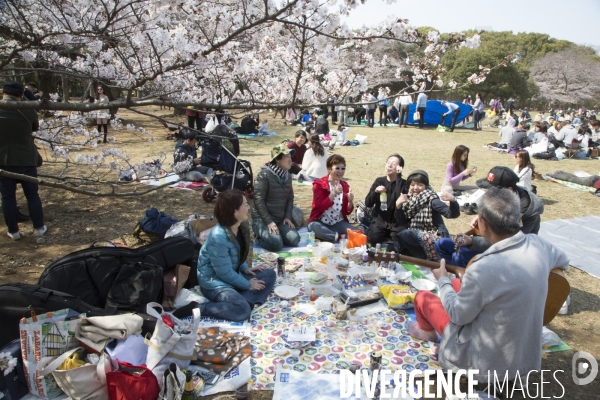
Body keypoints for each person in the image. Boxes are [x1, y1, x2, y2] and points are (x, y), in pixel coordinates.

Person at [407, 188, 569, 391]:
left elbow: (458, 314)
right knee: (459, 285)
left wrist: (443, 281)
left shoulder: (484, 268)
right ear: (518, 219)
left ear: (482, 223)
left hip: (482, 362)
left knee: (423, 297)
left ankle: (427, 334)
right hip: (523, 353)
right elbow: (564, 262)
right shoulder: (539, 245)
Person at [435, 166, 544, 268]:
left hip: (508, 255)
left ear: (509, 190)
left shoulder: (526, 213)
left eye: (492, 189)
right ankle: (456, 276)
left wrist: (472, 241)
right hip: (488, 240)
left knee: (460, 255)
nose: (488, 192)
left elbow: (508, 244)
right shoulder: (500, 199)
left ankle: (464, 280)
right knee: (441, 244)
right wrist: (480, 217)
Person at [196, 190, 276, 321]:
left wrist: (244, 268)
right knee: (243, 311)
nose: (248, 207)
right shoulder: (218, 237)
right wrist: (247, 284)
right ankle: (201, 308)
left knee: (269, 274)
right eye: (245, 205)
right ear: (234, 212)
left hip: (232, 274)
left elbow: (238, 251)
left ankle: (239, 302)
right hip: (215, 283)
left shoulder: (240, 226)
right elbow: (223, 273)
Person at [0, 81, 47, 241]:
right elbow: (34, 127)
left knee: (7, 197)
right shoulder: (27, 110)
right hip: (26, 158)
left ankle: (14, 231)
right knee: (32, 195)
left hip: (3, 160)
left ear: (3, 93)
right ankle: (39, 228)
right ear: (21, 94)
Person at [394, 170, 460, 260]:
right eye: (412, 185)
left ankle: (426, 257)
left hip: (434, 236)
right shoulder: (408, 200)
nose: (415, 188)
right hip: (417, 235)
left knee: (405, 234)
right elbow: (400, 221)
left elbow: (451, 214)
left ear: (426, 186)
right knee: (399, 241)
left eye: (420, 185)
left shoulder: (431, 199)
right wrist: (398, 206)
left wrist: (452, 200)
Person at [251, 145, 300, 251]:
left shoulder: (287, 176)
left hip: (280, 219)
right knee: (276, 244)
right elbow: (258, 200)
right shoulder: (264, 175)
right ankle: (258, 237)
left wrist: (287, 217)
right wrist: (269, 221)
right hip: (262, 220)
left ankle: (277, 235)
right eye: (287, 156)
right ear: (277, 159)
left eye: (290, 156)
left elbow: (290, 198)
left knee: (295, 239)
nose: (290, 159)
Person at [307, 154, 358, 242]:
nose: (340, 171)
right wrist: (333, 193)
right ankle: (339, 237)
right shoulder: (319, 185)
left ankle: (329, 236)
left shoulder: (345, 186)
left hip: (337, 222)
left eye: (343, 168)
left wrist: (350, 201)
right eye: (337, 168)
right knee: (312, 227)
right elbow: (320, 206)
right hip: (321, 222)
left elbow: (347, 212)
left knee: (357, 233)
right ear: (329, 169)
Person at [364, 154, 407, 245]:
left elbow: (399, 196)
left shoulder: (404, 184)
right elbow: (368, 203)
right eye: (388, 163)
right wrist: (375, 192)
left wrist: (398, 176)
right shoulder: (379, 181)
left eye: (394, 164)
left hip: (397, 222)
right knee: (373, 240)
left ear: (400, 167)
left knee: (400, 244)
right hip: (380, 220)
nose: (389, 165)